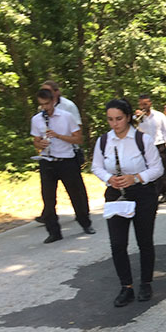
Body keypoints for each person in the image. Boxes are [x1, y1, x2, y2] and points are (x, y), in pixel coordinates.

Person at [91, 98, 163, 307]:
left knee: (144, 241)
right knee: (118, 243)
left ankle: (146, 283)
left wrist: (136, 177)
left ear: (129, 117)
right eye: (110, 119)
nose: (115, 124)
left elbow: (157, 169)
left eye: (119, 119)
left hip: (142, 193)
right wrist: (108, 178)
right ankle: (126, 287)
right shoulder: (103, 141)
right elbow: (96, 167)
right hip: (115, 194)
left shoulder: (143, 139)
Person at [30, 87, 95, 243]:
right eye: (41, 105)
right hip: (47, 161)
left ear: (53, 101)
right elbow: (35, 142)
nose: (45, 108)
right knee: (48, 198)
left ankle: (85, 223)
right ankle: (54, 232)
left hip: (66, 160)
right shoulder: (37, 119)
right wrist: (41, 144)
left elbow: (78, 139)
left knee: (76, 195)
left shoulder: (67, 117)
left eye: (47, 104)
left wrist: (58, 136)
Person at [135, 93, 166, 203]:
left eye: (145, 104)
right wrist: (136, 118)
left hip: (159, 145)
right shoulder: (137, 118)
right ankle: (153, 193)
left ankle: (165, 192)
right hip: (145, 147)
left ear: (150, 104)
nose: (143, 106)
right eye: (141, 104)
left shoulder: (159, 116)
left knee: (162, 170)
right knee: (148, 170)